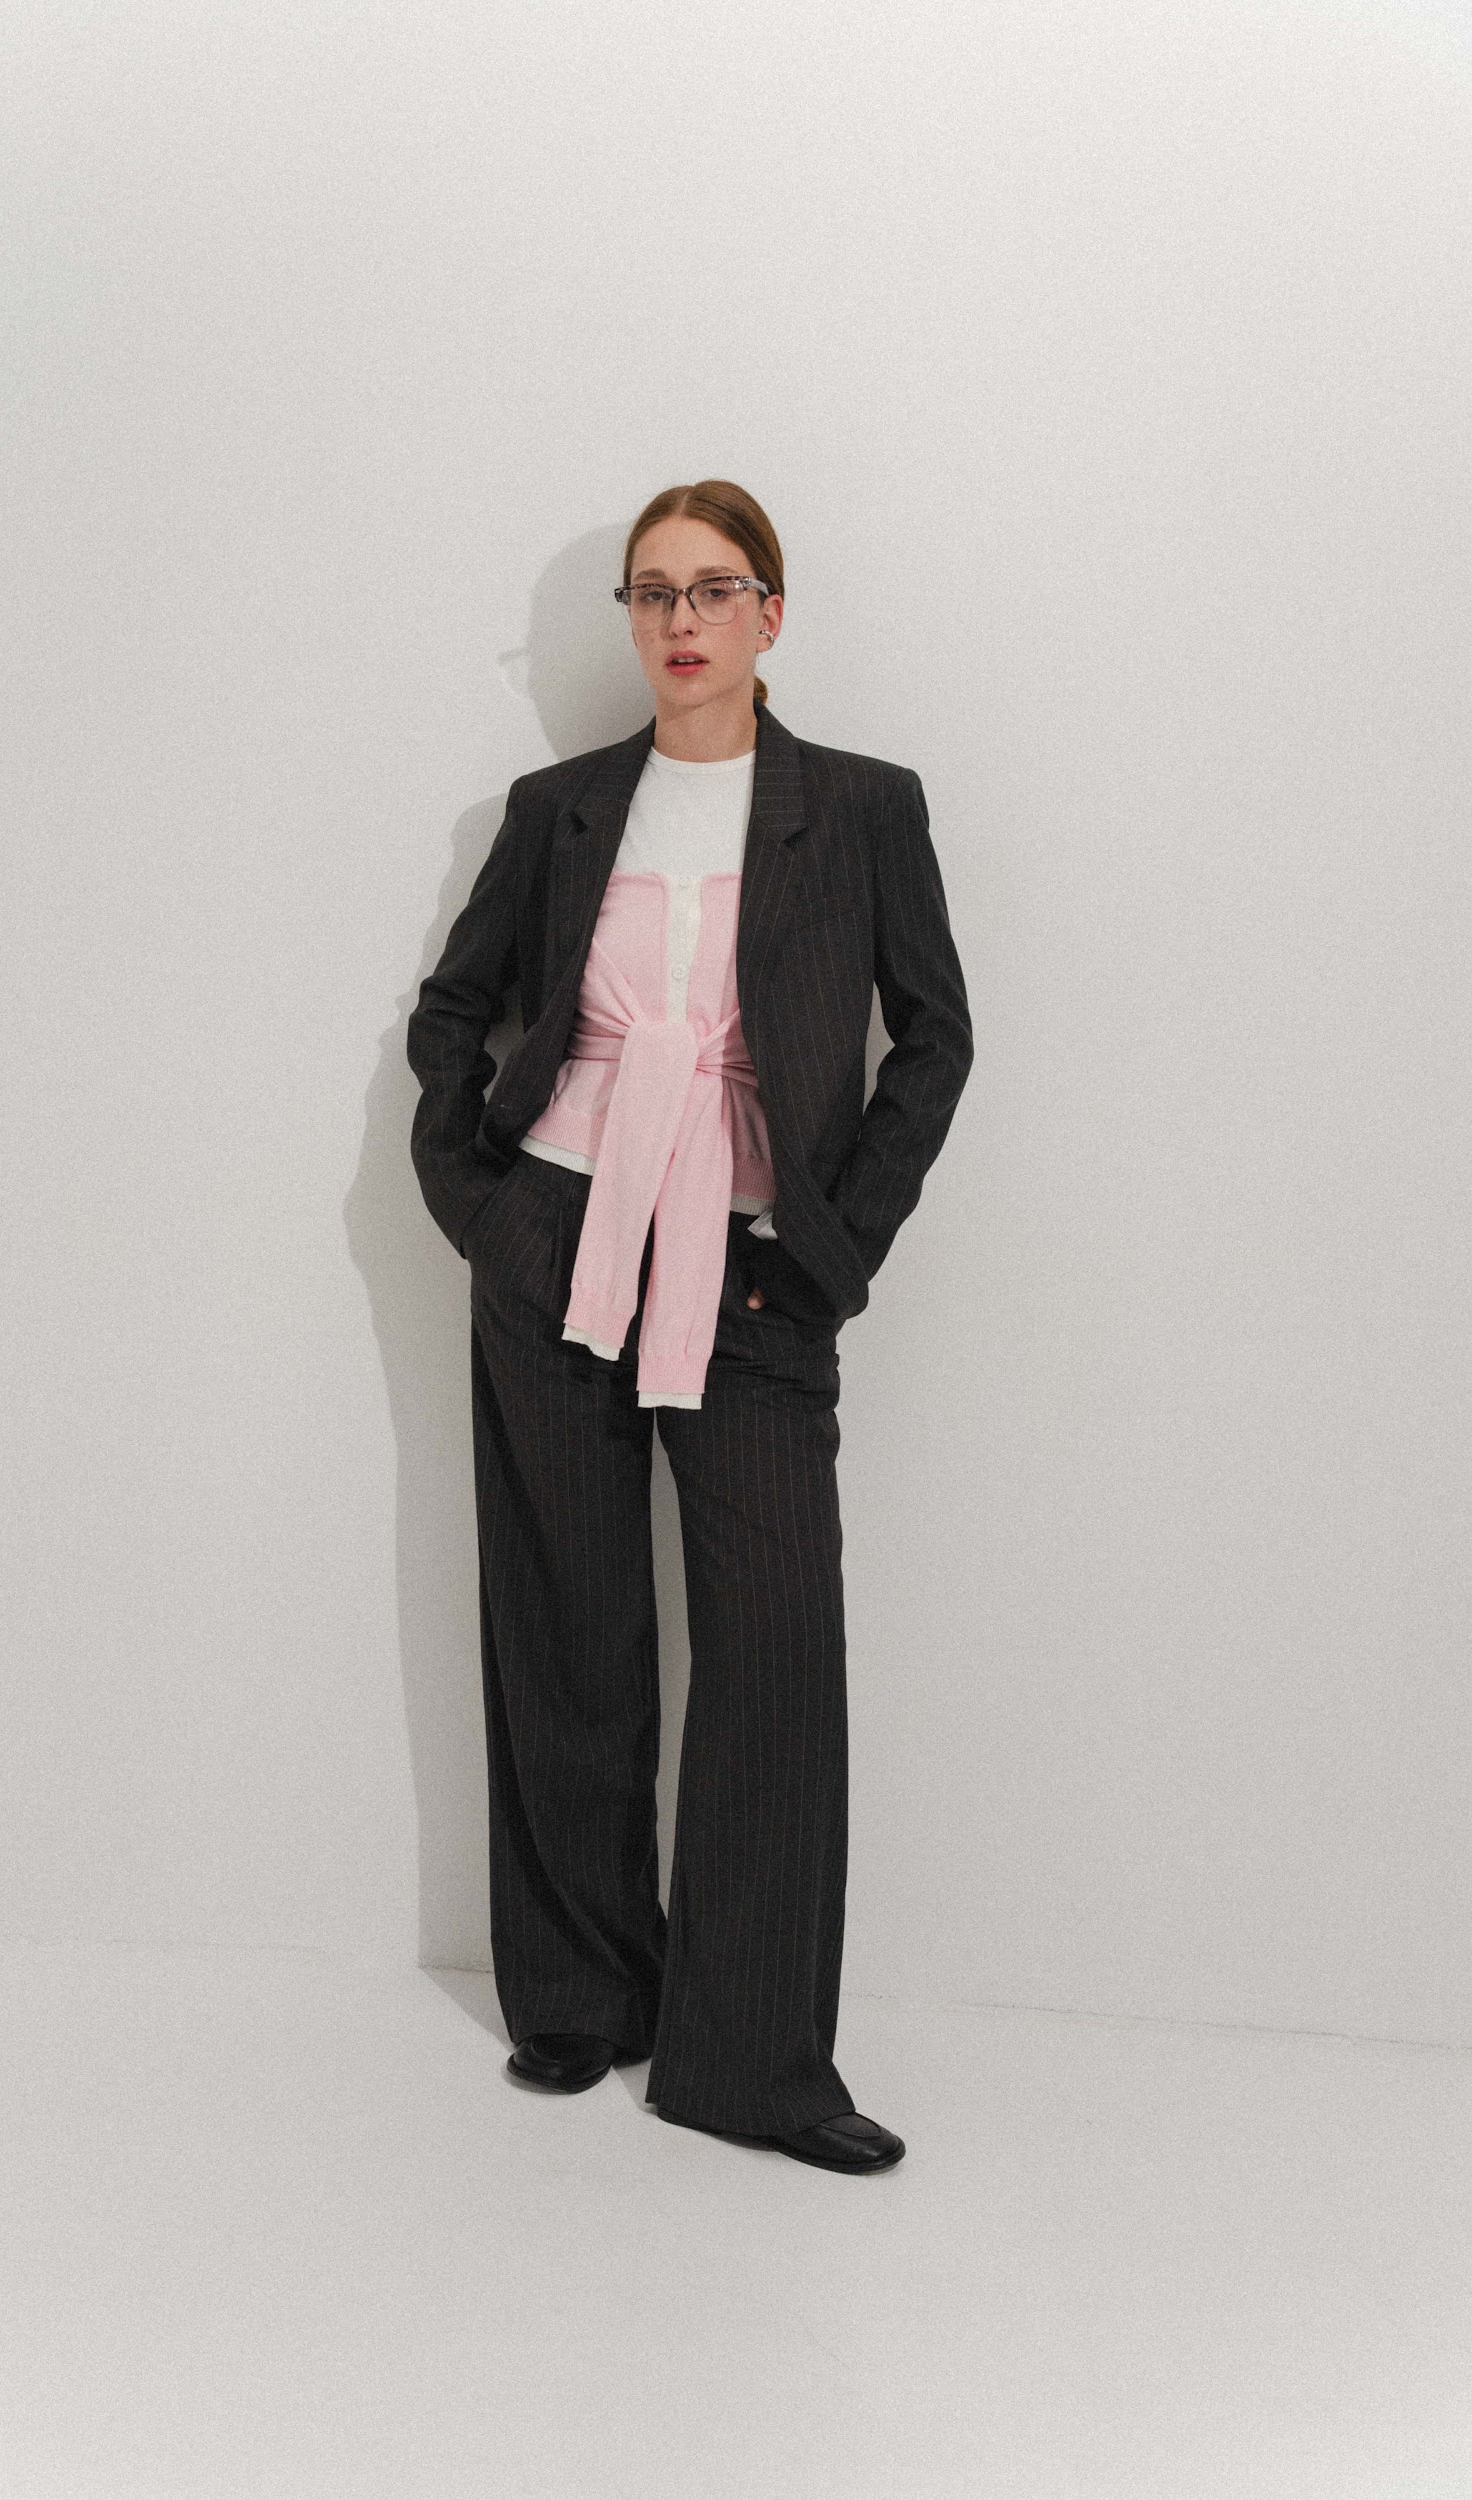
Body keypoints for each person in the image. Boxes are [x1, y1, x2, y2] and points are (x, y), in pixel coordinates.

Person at [407, 480, 973, 2173]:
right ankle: (586, 1998)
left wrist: (835, 1246)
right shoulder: (563, 808)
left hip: (752, 1264)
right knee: (568, 1627)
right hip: (560, 1240)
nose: (679, 620)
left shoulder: (861, 808)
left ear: (770, 615)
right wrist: (488, 1209)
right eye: (651, 592)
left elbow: (935, 1038)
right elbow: (456, 1012)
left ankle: (753, 2065)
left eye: (714, 589)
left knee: (774, 1647)